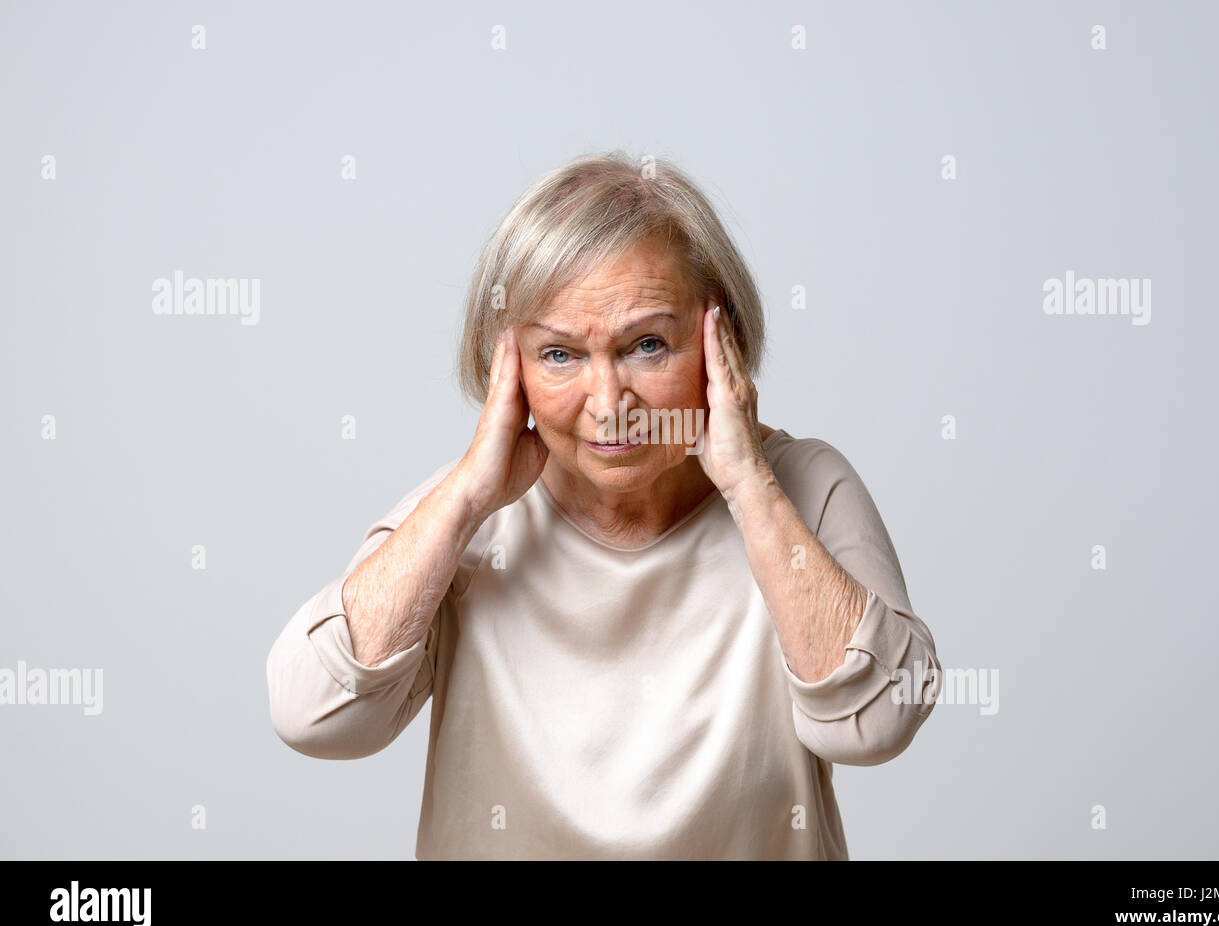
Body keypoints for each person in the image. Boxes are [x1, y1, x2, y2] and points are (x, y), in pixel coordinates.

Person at [266, 150, 941, 859]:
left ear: (723, 342)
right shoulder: (469, 513)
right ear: (509, 365)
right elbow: (313, 714)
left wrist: (750, 486)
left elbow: (879, 721)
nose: (608, 403)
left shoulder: (801, 485)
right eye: (560, 354)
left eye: (647, 344)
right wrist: (466, 494)